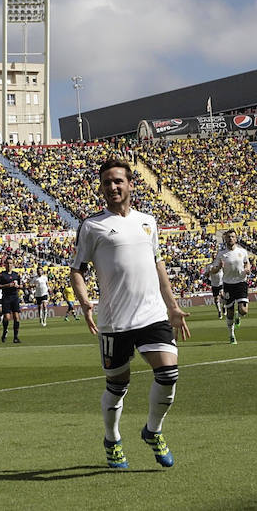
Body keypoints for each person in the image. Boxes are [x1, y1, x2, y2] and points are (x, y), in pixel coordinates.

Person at [70, 159, 191, 469]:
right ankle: (112, 439)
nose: (112, 187)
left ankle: (153, 431)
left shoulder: (148, 221)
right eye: (107, 182)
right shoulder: (92, 225)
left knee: (168, 375)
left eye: (118, 181)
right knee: (117, 386)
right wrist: (84, 303)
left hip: (153, 315)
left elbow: (158, 264)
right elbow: (77, 271)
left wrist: (173, 306)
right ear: (101, 188)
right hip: (114, 321)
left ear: (130, 185)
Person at [212, 229, 251, 344]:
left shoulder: (242, 251)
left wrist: (248, 268)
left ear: (236, 238)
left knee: (244, 311)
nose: (231, 239)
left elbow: (247, 262)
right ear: (225, 239)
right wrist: (219, 267)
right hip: (228, 284)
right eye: (228, 237)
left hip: (241, 282)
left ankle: (238, 315)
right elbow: (213, 270)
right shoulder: (221, 254)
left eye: (233, 236)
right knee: (229, 312)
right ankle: (232, 335)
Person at [0, 257, 22, 343]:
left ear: (13, 264)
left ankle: (16, 337)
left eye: (10, 263)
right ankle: (5, 331)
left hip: (15, 297)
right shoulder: (2, 275)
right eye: (7, 263)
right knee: (7, 317)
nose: (9, 265)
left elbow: (21, 285)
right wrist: (8, 285)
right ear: (4, 265)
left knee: (16, 317)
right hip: (6, 297)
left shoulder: (16, 275)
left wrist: (18, 286)